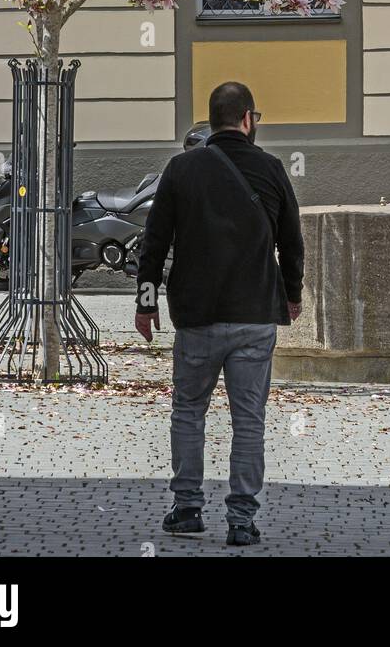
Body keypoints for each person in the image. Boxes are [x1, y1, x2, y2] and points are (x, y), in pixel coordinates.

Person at [135, 81, 304, 548]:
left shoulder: (181, 169)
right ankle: (242, 519)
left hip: (197, 315)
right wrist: (293, 295)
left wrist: (146, 302)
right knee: (249, 417)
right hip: (253, 315)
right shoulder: (271, 170)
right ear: (248, 119)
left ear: (212, 121)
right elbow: (292, 241)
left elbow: (154, 242)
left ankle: (187, 508)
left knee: (188, 411)